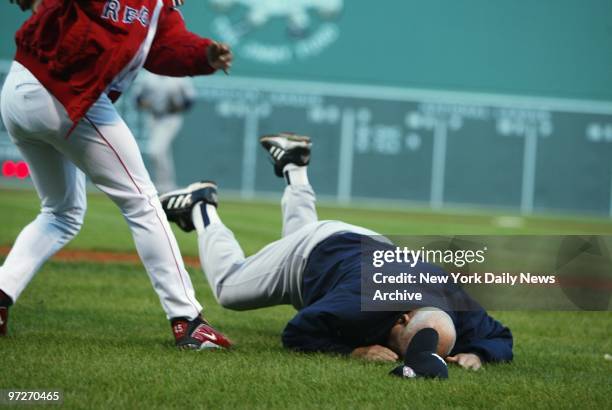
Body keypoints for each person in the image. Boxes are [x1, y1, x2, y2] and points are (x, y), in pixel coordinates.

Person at [159, 133, 514, 369]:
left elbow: (500, 337)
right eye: (410, 349)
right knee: (229, 289)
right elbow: (298, 331)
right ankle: (200, 206)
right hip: (310, 256)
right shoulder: (359, 300)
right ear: (402, 316)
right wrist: (355, 351)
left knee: (306, 236)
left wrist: (478, 353)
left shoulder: (452, 304)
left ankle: (295, 166)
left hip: (362, 246)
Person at [0, 0, 233, 350]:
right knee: (143, 203)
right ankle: (187, 321)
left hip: (22, 94)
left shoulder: (158, 7)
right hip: (62, 92)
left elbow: (165, 47)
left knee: (61, 213)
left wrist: (203, 56)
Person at [134, 72, 196, 192]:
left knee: (155, 151)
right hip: (153, 117)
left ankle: (164, 185)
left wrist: (179, 105)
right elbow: (137, 98)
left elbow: (190, 100)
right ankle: (167, 185)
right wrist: (145, 103)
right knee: (162, 152)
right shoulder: (148, 75)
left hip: (171, 118)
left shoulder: (179, 76)